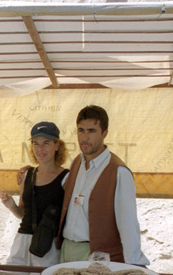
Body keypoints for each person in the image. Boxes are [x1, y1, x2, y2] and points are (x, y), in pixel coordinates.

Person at [56, 105, 149, 265]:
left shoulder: (118, 172)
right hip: (67, 250)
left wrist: (134, 264)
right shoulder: (77, 162)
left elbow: (128, 223)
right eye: (81, 130)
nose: (85, 137)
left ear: (104, 133)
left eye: (92, 131)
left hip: (95, 255)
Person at [0, 121, 69, 266]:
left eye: (46, 143)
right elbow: (23, 214)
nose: (40, 149)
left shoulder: (67, 178)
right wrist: (11, 206)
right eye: (36, 143)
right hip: (22, 241)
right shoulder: (28, 175)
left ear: (57, 146)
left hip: (47, 244)